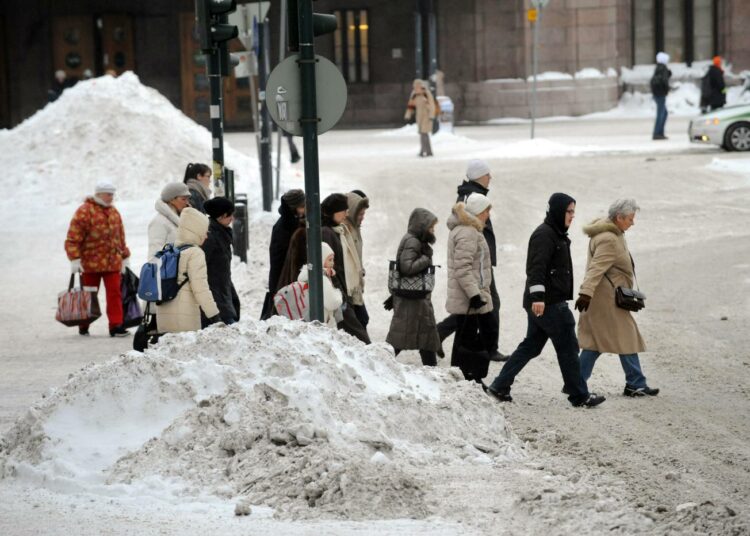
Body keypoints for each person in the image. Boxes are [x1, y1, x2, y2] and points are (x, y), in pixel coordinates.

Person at [486, 193, 605, 407]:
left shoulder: (556, 233)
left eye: (573, 212)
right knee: (568, 347)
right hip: (548, 303)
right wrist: (538, 297)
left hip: (545, 302)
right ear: (558, 211)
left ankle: (499, 385)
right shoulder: (545, 235)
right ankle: (579, 395)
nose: (572, 216)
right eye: (569, 211)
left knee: (531, 346)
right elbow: (536, 269)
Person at [574, 199, 659, 398]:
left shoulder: (612, 232)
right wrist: (585, 293)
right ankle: (635, 383)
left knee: (595, 342)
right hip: (607, 300)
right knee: (626, 336)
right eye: (630, 219)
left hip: (606, 297)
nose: (632, 223)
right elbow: (596, 268)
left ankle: (576, 383)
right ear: (619, 217)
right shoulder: (609, 238)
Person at [437, 160, 506, 360]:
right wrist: (481, 255)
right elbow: (467, 233)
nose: (490, 178)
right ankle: (489, 349)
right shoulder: (471, 197)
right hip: (475, 260)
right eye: (487, 175)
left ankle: (441, 334)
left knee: (474, 307)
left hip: (479, 258)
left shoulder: (474, 194)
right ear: (478, 176)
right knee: (483, 304)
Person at [446, 193, 502, 382]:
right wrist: (475, 294)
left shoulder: (469, 230)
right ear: (478, 212)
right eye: (486, 210)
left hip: (470, 295)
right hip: (470, 297)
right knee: (470, 339)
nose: (488, 214)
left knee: (466, 338)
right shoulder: (468, 233)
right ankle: (468, 378)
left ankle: (465, 377)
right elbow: (463, 268)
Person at [65, 181, 132, 337]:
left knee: (114, 294)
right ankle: (83, 323)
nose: (111, 197)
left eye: (112, 194)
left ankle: (116, 325)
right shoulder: (84, 212)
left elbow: (120, 237)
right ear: (99, 194)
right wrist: (74, 259)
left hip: (112, 263)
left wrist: (124, 256)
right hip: (90, 264)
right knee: (88, 296)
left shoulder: (114, 212)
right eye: (108, 194)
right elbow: (73, 238)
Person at [385, 208, 441, 367]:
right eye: (431, 227)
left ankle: (432, 372)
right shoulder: (413, 241)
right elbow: (406, 267)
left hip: (415, 300)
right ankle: (380, 364)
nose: (433, 230)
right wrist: (425, 258)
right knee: (400, 338)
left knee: (426, 338)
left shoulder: (416, 240)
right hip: (412, 300)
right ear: (422, 226)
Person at [156, 207, 222, 333]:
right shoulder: (195, 253)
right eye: (204, 231)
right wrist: (214, 316)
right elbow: (200, 288)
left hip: (163, 315)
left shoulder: (169, 251)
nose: (206, 236)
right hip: (184, 318)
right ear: (196, 231)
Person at [321, 193, 370, 344]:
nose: (347, 214)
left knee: (355, 329)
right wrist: (340, 292)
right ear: (334, 212)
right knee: (359, 336)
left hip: (342, 290)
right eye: (344, 210)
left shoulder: (337, 230)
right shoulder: (327, 233)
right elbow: (330, 266)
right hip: (338, 291)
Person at [263, 189, 306, 320]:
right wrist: (274, 288)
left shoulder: (299, 221)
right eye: (301, 206)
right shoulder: (282, 228)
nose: (304, 209)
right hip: (286, 278)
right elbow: (276, 260)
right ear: (293, 208)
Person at [202, 197, 240, 325]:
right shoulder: (211, 236)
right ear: (222, 216)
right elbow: (201, 266)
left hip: (223, 290)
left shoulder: (221, 233)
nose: (232, 219)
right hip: (215, 294)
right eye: (230, 215)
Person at [341, 191, 370, 328]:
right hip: (349, 287)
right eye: (360, 214)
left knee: (361, 320)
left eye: (363, 214)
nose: (362, 217)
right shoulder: (345, 230)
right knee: (361, 320)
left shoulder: (355, 227)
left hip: (355, 285)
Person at [298, 242, 343, 328]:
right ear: (321, 260)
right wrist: (338, 293)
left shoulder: (310, 274)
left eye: (333, 260)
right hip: (324, 324)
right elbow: (333, 302)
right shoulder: (322, 279)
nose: (332, 263)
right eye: (329, 260)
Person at [148, 182, 191, 258]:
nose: (187, 203)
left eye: (188, 199)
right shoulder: (159, 222)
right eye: (183, 199)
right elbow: (154, 256)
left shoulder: (179, 220)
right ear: (171, 199)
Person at [405, 79, 435, 157]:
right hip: (419, 116)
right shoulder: (414, 94)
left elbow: (431, 105)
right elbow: (411, 105)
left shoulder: (426, 93)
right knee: (423, 133)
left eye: (417, 86)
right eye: (415, 87)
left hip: (426, 115)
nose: (416, 88)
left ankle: (423, 151)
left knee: (424, 133)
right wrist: (408, 114)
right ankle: (429, 151)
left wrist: (431, 115)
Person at [650, 52, 672, 140]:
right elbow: (664, 81)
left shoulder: (659, 68)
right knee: (661, 114)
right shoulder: (663, 68)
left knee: (664, 113)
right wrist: (667, 90)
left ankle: (660, 132)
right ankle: (657, 133)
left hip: (657, 93)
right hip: (660, 94)